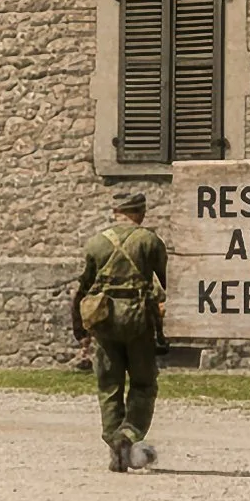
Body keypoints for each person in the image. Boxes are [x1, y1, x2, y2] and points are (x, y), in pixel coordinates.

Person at [71, 189, 166, 472]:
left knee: (109, 386)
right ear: (141, 212)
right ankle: (128, 435)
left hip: (104, 322)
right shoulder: (150, 241)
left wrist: (81, 331)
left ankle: (116, 444)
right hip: (139, 323)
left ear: (116, 212)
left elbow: (82, 289)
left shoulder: (95, 244)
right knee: (143, 383)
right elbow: (170, 280)